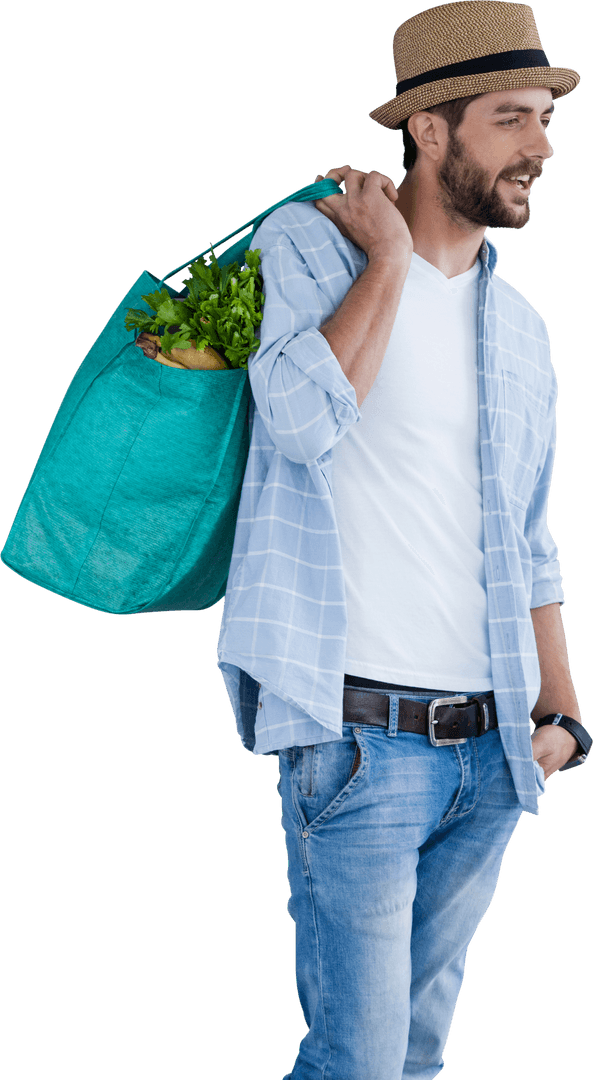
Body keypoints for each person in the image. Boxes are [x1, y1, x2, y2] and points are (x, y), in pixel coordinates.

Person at [217, 3, 590, 1077]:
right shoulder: (306, 245)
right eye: (511, 119)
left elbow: (527, 538)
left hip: (494, 753)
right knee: (360, 1063)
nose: (542, 148)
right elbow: (292, 420)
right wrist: (383, 261)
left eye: (545, 120)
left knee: (415, 1059)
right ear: (429, 130)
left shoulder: (522, 332)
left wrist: (560, 717)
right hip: (357, 746)